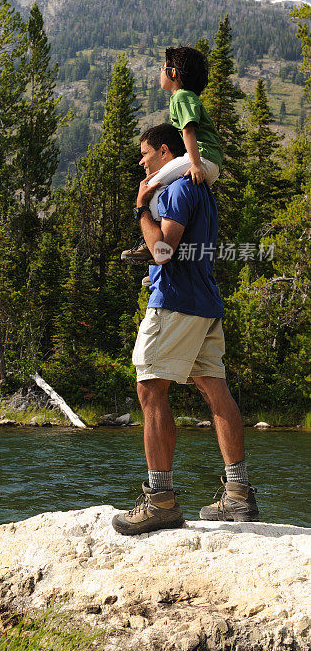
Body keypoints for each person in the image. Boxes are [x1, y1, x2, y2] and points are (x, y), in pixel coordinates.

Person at [112, 123, 258, 536]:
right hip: (205, 302)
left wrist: (142, 207)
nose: (141, 162)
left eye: (144, 154)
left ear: (163, 152)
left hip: (176, 303)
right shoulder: (202, 191)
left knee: (150, 388)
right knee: (215, 388)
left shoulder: (174, 191)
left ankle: (160, 501)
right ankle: (239, 494)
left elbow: (162, 251)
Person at [122, 46, 223, 265]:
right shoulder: (187, 97)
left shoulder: (181, 97)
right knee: (164, 188)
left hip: (203, 158)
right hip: (208, 161)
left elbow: (188, 130)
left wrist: (195, 164)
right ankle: (158, 258)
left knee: (153, 184)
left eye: (163, 67)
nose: (161, 72)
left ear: (173, 73)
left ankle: (152, 246)